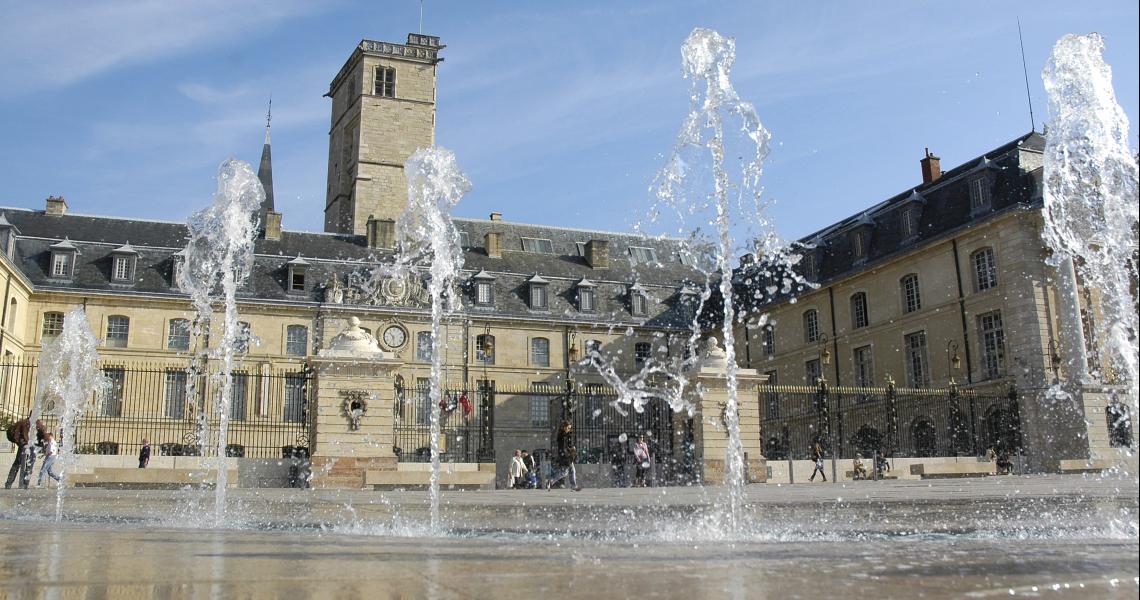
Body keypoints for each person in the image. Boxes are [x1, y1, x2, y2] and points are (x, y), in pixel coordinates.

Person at [5, 418, 45, 490]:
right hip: (25, 445)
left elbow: (43, 434)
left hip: (30, 445)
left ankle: (23, 484)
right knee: (20, 464)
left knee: (25, 464)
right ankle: (13, 484)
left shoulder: (38, 424)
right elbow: (17, 433)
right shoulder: (24, 422)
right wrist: (21, 442)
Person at [546, 420, 581, 491]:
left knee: (572, 471)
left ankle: (573, 486)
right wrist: (571, 449)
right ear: (564, 427)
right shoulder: (563, 435)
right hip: (565, 456)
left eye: (570, 428)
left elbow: (564, 446)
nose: (569, 429)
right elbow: (564, 446)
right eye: (568, 428)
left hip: (565, 455)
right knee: (564, 472)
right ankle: (551, 481)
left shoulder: (563, 434)